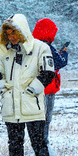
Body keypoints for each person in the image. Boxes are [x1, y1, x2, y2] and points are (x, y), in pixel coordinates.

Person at [0, 14, 55, 156]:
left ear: (23, 30)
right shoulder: (6, 51)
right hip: (11, 104)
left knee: (39, 142)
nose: (11, 36)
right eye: (8, 33)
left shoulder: (40, 48)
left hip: (31, 103)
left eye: (14, 32)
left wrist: (33, 89)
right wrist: (1, 86)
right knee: (14, 143)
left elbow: (48, 72)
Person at [32, 18, 68, 146]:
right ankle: (43, 143)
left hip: (36, 88)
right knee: (46, 118)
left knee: (36, 118)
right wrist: (64, 53)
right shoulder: (47, 47)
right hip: (48, 88)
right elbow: (60, 62)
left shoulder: (33, 45)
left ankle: (37, 142)